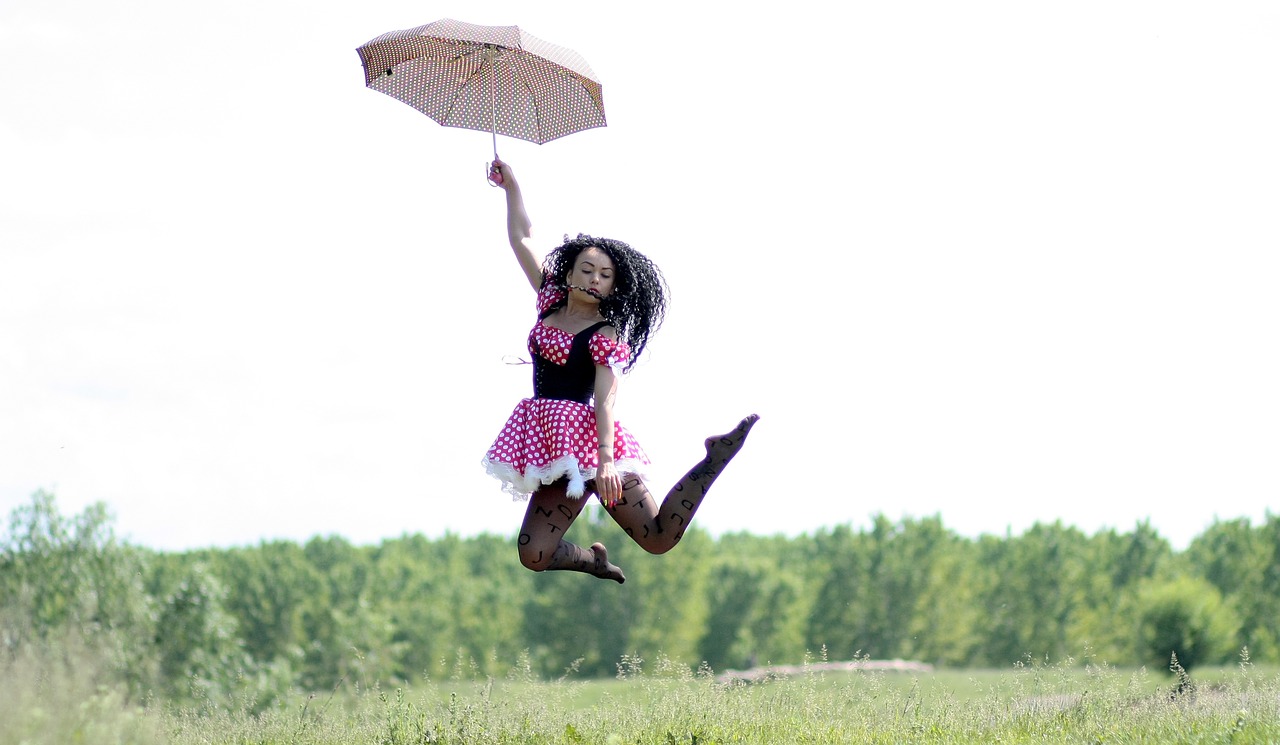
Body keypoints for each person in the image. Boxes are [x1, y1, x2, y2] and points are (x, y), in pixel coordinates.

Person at [482, 159, 759, 584]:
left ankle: (715, 457)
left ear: (613, 287)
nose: (595, 279)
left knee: (659, 538)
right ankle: (593, 562)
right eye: (588, 270)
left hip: (592, 445)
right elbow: (522, 237)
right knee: (534, 553)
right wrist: (511, 186)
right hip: (549, 446)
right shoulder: (550, 301)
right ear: (570, 272)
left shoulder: (604, 332)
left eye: (605, 276)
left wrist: (607, 462)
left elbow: (606, 395)